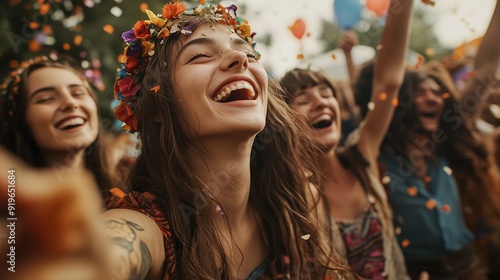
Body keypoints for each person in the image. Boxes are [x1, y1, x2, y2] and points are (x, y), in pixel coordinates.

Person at [280, 0, 414, 279]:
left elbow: (388, 83)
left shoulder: (362, 154)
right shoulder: (290, 194)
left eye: (327, 94)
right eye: (303, 100)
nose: (320, 102)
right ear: (283, 120)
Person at [378, 1, 500, 278]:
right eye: (420, 93)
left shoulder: (447, 140)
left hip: (470, 267)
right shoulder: (378, 156)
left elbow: (484, 72)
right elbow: (387, 80)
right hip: (414, 272)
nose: (432, 98)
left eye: (436, 93)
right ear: (402, 104)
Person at [0, 56, 113, 200]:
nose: (71, 103)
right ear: (21, 122)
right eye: (46, 98)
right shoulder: (11, 216)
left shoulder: (129, 193)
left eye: (78, 93)